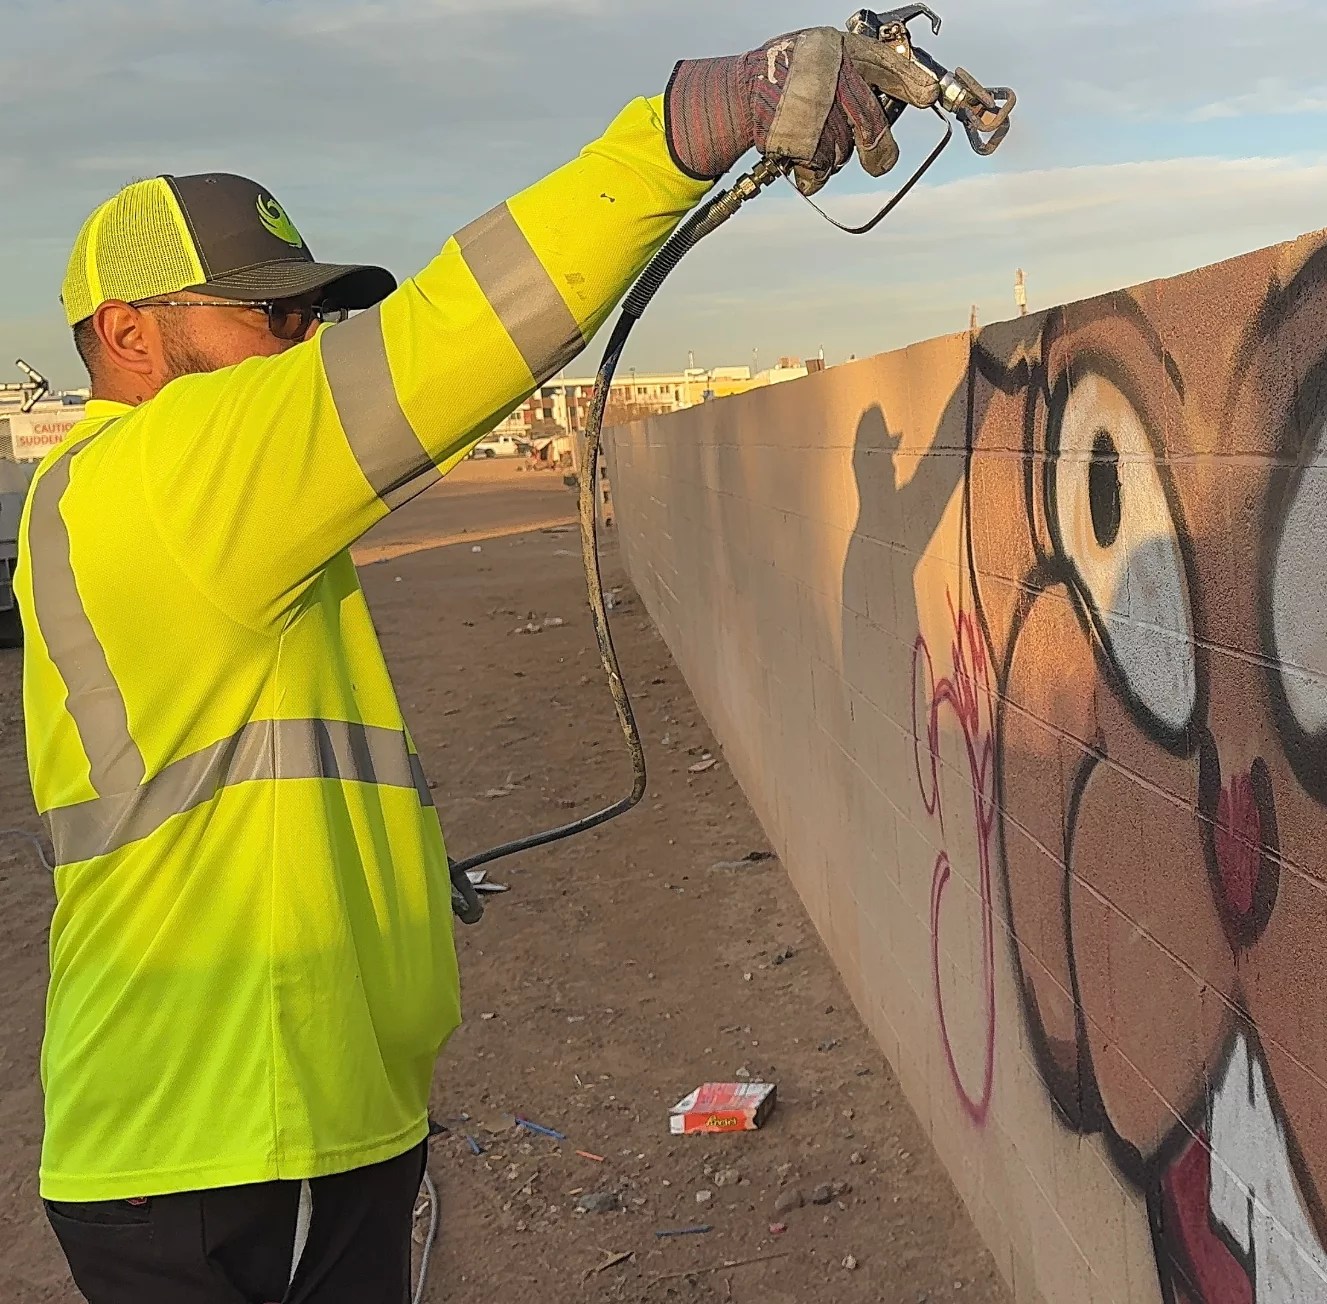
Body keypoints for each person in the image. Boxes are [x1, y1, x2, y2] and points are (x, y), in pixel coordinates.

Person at [16, 28, 934, 1304]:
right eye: (272, 312)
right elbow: (445, 337)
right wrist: (678, 132)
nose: (304, 340)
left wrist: (383, 872)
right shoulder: (164, 471)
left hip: (252, 1125)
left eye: (315, 312)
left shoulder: (177, 513)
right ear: (126, 332)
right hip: (227, 1138)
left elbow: (219, 771)